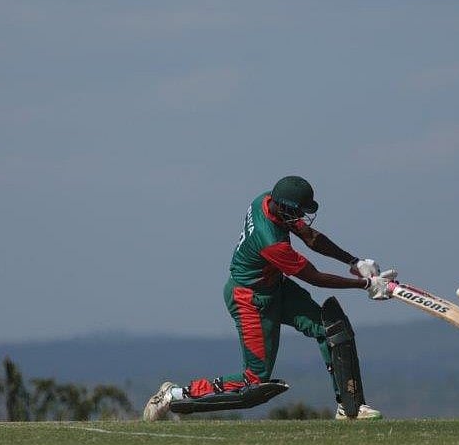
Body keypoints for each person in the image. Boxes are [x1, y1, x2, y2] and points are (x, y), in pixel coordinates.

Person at [143, 176, 394, 421]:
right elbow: (313, 277)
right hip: (249, 301)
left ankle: (349, 407)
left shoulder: (266, 200)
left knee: (331, 330)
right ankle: (172, 395)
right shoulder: (270, 241)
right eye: (298, 213)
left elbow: (311, 237)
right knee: (254, 381)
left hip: (276, 288)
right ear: (284, 207)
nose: (301, 219)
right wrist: (366, 285)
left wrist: (354, 262)